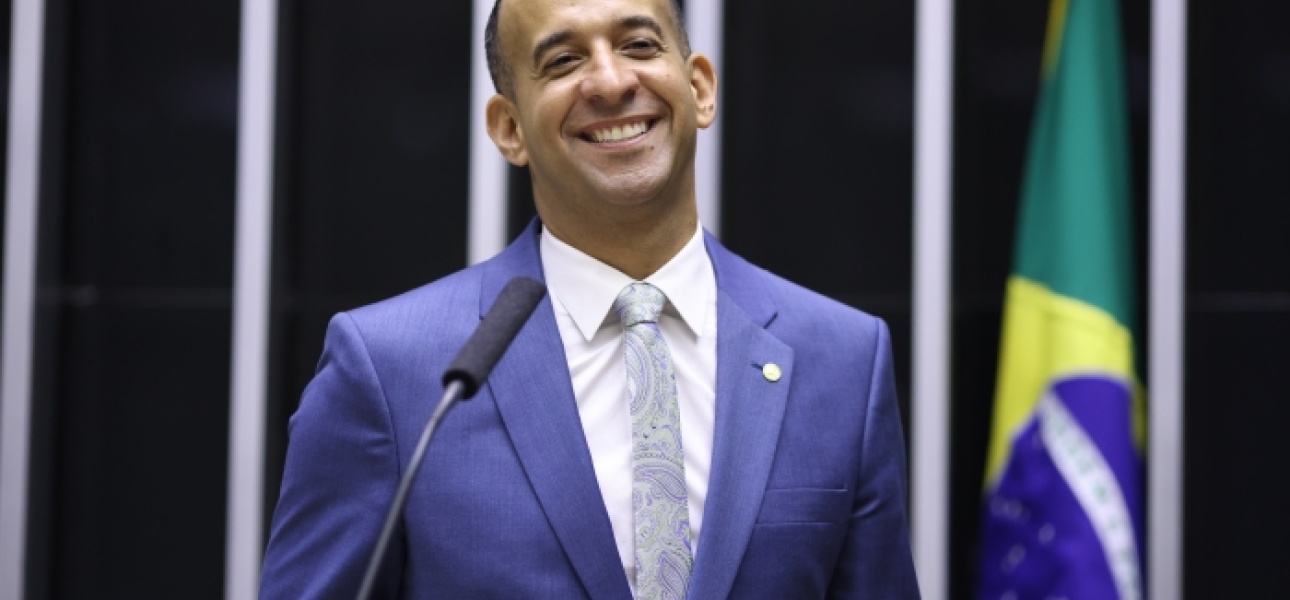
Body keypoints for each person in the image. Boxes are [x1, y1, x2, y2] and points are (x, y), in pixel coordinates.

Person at [258, 0, 920, 597]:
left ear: (699, 88)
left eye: (639, 45)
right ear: (509, 128)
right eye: (563, 61)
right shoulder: (393, 372)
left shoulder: (842, 359)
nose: (610, 82)